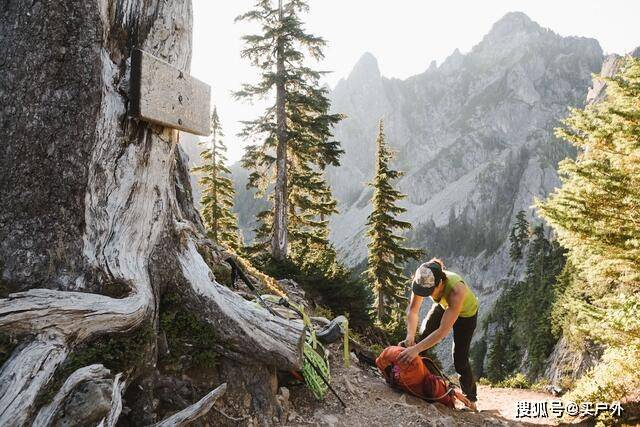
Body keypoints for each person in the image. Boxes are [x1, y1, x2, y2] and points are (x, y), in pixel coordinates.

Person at [397, 258, 479, 409]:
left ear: (440, 284)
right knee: (423, 335)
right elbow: (413, 310)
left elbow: (442, 331)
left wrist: (415, 349)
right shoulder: (423, 277)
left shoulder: (456, 291)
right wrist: (410, 336)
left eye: (429, 292)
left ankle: (470, 398)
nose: (425, 295)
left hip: (466, 314)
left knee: (459, 358)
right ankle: (419, 381)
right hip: (444, 306)